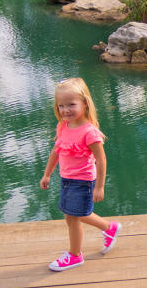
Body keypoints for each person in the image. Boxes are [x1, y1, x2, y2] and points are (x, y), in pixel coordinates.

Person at [39, 78, 121, 271]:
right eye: (61, 106)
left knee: (73, 217)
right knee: (73, 215)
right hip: (66, 179)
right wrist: (47, 174)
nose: (66, 110)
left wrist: (100, 186)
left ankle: (75, 256)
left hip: (83, 181)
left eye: (71, 104)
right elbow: (56, 151)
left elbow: (101, 160)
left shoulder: (89, 133)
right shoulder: (64, 127)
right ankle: (109, 228)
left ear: (85, 103)